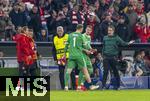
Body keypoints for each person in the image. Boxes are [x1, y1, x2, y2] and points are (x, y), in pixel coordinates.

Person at [64, 24, 99, 91]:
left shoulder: (70, 35)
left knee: (68, 71)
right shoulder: (81, 36)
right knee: (85, 71)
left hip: (71, 55)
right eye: (86, 29)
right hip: (80, 55)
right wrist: (88, 50)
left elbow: (66, 45)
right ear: (82, 29)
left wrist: (64, 54)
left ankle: (66, 87)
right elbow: (83, 46)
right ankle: (90, 85)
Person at [102, 25, 134, 90]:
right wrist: (103, 55)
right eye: (108, 30)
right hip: (106, 57)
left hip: (113, 57)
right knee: (105, 71)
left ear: (113, 31)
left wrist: (129, 43)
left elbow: (123, 43)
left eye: (110, 30)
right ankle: (103, 86)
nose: (109, 32)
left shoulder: (116, 37)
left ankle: (118, 86)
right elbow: (103, 47)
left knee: (115, 71)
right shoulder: (105, 38)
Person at [78, 25, 97, 90]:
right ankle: (81, 85)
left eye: (89, 30)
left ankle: (81, 84)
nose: (88, 31)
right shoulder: (82, 36)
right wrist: (86, 50)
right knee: (83, 70)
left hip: (86, 55)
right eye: (87, 30)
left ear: (91, 31)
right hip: (81, 55)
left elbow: (88, 46)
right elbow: (78, 47)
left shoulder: (89, 37)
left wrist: (92, 49)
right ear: (85, 30)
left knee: (90, 70)